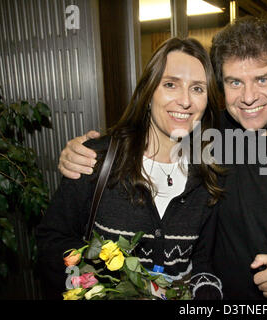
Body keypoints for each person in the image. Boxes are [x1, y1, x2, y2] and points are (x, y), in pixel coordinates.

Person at [57, 17, 267, 300]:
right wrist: (88, 150)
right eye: (234, 82)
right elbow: (151, 130)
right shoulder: (206, 135)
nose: (248, 97)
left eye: (263, 79)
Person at [36, 37, 225, 300]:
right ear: (148, 93)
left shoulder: (208, 176)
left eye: (197, 89)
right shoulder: (97, 159)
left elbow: (205, 261)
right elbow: (51, 241)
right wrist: (105, 285)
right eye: (170, 84)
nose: (185, 101)